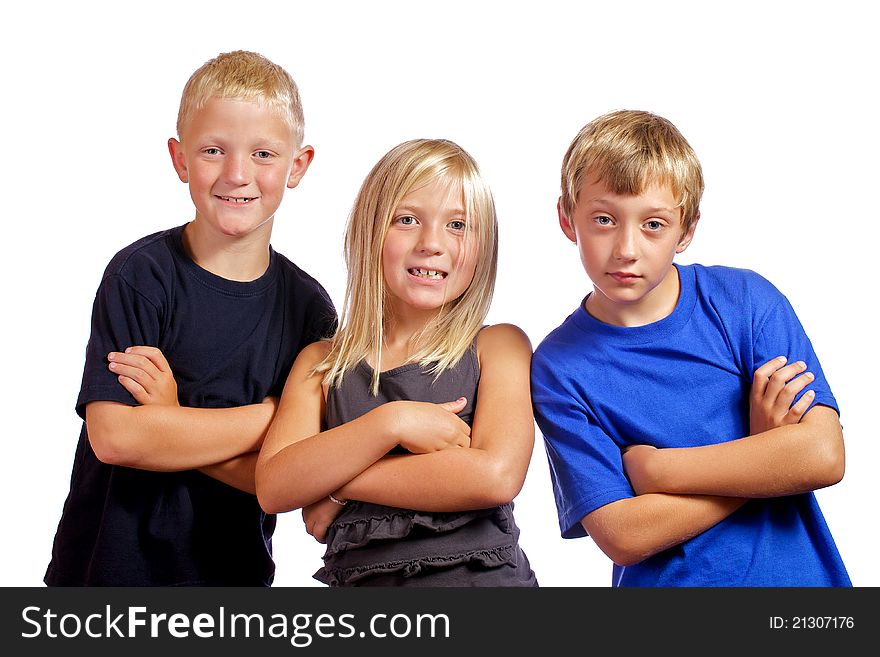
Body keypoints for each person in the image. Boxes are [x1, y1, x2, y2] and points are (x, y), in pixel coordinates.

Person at [44, 50, 337, 586]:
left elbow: (283, 481)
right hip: (103, 578)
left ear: (298, 164)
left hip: (228, 581)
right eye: (212, 151)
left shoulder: (309, 313)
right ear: (179, 159)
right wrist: (269, 419)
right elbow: (117, 439)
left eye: (264, 153)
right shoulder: (141, 276)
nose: (237, 174)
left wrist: (171, 418)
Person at [531, 109, 850, 586]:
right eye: (603, 219)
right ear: (566, 218)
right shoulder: (559, 367)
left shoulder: (743, 302)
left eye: (653, 224)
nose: (626, 249)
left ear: (687, 229)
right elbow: (623, 534)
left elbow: (823, 454)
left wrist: (660, 471)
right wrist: (762, 454)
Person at [256, 138, 538, 586]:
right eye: (407, 220)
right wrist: (392, 423)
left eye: (458, 225)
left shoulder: (498, 346)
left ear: (484, 246)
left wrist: (338, 484)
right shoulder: (322, 364)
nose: (432, 243)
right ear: (369, 233)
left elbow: (494, 475)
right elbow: (274, 485)